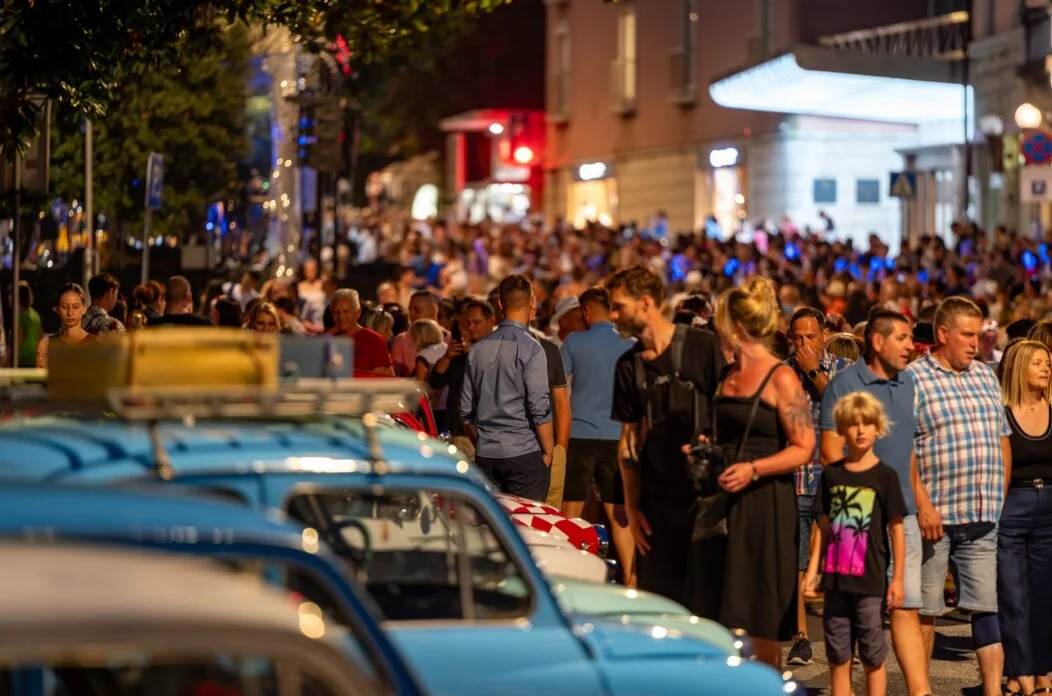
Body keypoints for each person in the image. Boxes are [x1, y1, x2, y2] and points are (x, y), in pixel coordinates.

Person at [683, 276, 813, 669]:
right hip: (722, 500)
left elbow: (804, 447)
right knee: (719, 612)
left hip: (763, 505)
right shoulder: (727, 374)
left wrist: (754, 468)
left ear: (736, 326)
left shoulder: (780, 377)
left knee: (759, 618)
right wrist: (702, 446)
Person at [820, 309, 931, 696]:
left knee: (906, 605)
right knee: (849, 617)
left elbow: (908, 450)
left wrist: (921, 501)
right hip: (855, 515)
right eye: (902, 337)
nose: (910, 346)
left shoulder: (908, 382)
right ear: (878, 341)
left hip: (903, 514)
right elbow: (830, 452)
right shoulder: (845, 384)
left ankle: (920, 692)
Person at [906, 296, 1009, 696]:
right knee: (926, 609)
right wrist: (922, 504)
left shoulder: (985, 375)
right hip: (935, 517)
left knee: (987, 606)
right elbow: (903, 448)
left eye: (978, 334)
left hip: (982, 514)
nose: (975, 342)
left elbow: (1001, 438)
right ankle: (920, 690)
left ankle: (993, 691)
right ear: (942, 333)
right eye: (966, 335)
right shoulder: (914, 378)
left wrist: (999, 496)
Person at [607, 266, 726, 606]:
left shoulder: (702, 346)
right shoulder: (628, 365)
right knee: (662, 607)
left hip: (705, 501)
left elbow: (727, 412)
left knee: (707, 605)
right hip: (656, 506)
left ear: (645, 303)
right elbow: (628, 442)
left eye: (619, 307)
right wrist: (632, 507)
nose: (613, 316)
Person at [804, 392, 907, 696]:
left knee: (873, 655)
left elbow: (897, 529)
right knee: (838, 655)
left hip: (870, 583)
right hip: (836, 583)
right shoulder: (832, 475)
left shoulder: (885, 477)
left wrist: (897, 579)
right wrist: (813, 571)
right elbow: (823, 528)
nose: (860, 430)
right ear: (841, 429)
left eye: (867, 423)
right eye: (853, 424)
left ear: (878, 427)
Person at [785, 306, 852, 667]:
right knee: (795, 563)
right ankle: (801, 637)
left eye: (810, 336)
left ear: (825, 334)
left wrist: (814, 372)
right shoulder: (782, 372)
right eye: (797, 338)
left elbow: (847, 411)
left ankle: (845, 637)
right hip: (795, 477)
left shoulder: (845, 369)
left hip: (837, 478)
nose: (804, 344)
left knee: (845, 560)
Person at [559, 286, 637, 585]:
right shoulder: (630, 344)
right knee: (619, 512)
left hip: (581, 433)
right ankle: (631, 578)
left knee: (572, 507)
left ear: (586, 311)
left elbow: (559, 388)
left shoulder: (574, 341)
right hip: (618, 436)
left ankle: (568, 575)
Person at [461, 274, 554, 502]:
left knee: (492, 521)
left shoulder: (477, 349)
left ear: (500, 305)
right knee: (527, 522)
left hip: (486, 454)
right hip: (524, 452)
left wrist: (483, 442)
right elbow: (539, 406)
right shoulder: (532, 348)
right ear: (532, 302)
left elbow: (466, 410)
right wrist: (548, 451)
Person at [996, 340, 1052, 696]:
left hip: (1049, 508)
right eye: (1038, 363)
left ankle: (1042, 672)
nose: (1046, 368)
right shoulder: (1001, 410)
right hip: (1012, 506)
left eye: (1048, 362)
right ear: (1019, 367)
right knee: (1013, 595)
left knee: (1044, 596)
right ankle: (1021, 673)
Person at [488, 286, 571, 508]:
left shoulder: (483, 350)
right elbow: (556, 403)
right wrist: (554, 449)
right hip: (529, 451)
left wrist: (559, 450)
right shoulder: (547, 350)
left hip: (504, 450)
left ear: (500, 306)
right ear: (532, 304)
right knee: (544, 518)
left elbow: (560, 403)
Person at [430, 300, 496, 446]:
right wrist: (447, 357)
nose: (470, 327)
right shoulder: (459, 356)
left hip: (486, 436)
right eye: (468, 323)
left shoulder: (500, 352)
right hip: (458, 433)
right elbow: (435, 381)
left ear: (491, 321)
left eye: (476, 322)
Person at [329, 288, 393, 375]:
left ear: (358, 313)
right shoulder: (329, 341)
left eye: (346, 312)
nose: (341, 317)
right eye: (336, 312)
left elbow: (379, 377)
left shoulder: (374, 340)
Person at [36, 283, 93, 369]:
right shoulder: (46, 345)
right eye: (64, 307)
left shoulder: (95, 344)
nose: (70, 313)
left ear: (84, 309)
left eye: (75, 307)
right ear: (57, 309)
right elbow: (41, 375)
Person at [392, 291, 444, 377]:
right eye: (410, 310)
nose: (411, 314)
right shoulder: (401, 340)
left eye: (417, 310)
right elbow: (396, 375)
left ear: (433, 311)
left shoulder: (449, 338)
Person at [410, 318, 449, 431]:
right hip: (449, 405)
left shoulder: (424, 355)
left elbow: (419, 386)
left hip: (433, 409)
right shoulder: (446, 348)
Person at [16, 281, 42, 368]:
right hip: (34, 357)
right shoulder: (35, 314)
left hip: (23, 359)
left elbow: (18, 340)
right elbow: (40, 336)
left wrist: (12, 359)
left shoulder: (20, 316)